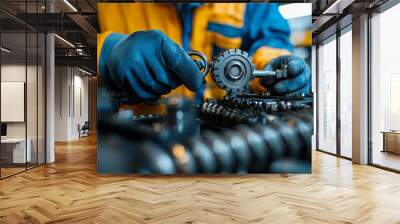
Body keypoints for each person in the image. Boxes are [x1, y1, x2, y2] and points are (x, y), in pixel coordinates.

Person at [97, 3, 311, 107]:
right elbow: (84, 38)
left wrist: (273, 68)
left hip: (223, 132)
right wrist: (107, 50)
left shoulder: (253, 5)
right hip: (136, 139)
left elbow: (269, 39)